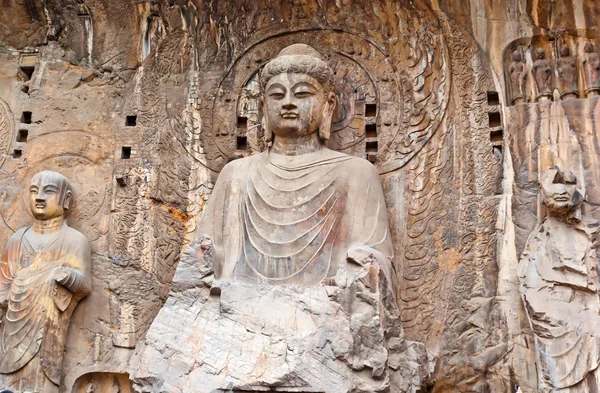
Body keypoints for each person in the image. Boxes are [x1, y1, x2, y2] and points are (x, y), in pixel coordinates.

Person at [201, 44, 395, 287]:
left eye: (302, 94)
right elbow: (206, 261)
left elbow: (374, 262)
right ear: (263, 107)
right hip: (238, 308)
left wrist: (358, 270)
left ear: (329, 104)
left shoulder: (356, 172)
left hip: (325, 310)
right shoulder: (236, 175)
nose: (289, 103)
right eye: (277, 95)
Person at [0, 171, 91, 393]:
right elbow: (3, 285)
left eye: (48, 191)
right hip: (12, 330)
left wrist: (65, 276)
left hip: (49, 329)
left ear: (66, 199)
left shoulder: (74, 240)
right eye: (34, 191)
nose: (39, 197)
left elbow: (85, 285)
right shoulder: (17, 239)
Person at [519, 167, 600, 392]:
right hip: (553, 308)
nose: (563, 193)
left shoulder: (583, 233)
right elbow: (531, 282)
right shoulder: (542, 237)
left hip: (582, 311)